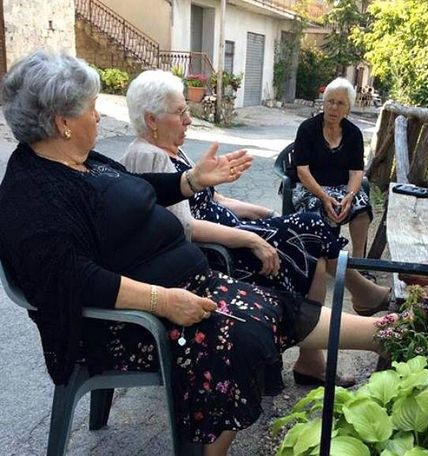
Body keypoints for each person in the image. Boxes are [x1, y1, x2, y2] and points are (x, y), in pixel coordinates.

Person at [0, 51, 390, 456]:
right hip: (123, 325)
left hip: (177, 285)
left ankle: (386, 334)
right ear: (63, 122)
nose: (98, 117)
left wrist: (190, 180)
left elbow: (136, 190)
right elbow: (72, 278)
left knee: (272, 307)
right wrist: (164, 300)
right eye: (92, 108)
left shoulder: (76, 161)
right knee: (244, 333)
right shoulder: (32, 195)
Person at [121, 69, 392, 385]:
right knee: (310, 233)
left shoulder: (167, 147)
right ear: (152, 120)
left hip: (232, 235)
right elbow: (187, 228)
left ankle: (314, 356)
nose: (189, 119)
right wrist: (251, 238)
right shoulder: (147, 157)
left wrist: (260, 212)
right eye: (180, 112)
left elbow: (214, 199)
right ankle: (357, 305)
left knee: (309, 236)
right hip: (216, 255)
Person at [292, 77, 372, 259]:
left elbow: (357, 171)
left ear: (348, 109)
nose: (334, 108)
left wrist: (350, 197)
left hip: (343, 188)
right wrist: (324, 197)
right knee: (318, 207)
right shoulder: (307, 129)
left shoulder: (354, 134)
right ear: (324, 102)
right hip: (310, 188)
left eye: (340, 103)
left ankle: (359, 262)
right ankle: (322, 260)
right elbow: (302, 170)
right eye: (330, 101)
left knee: (362, 207)